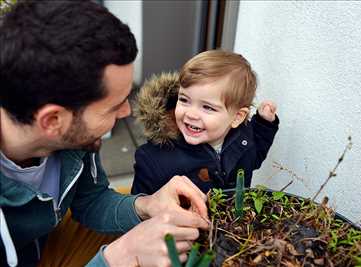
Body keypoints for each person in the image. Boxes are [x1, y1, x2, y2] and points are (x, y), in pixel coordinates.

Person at [0, 1, 209, 267]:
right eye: (114, 105)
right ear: (53, 120)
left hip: (43, 244)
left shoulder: (75, 139)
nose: (126, 111)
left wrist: (147, 206)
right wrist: (120, 256)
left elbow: (91, 200)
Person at [131, 50, 279, 195]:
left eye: (207, 107)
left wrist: (264, 124)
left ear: (237, 118)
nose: (191, 114)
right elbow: (141, 208)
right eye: (184, 100)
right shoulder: (155, 158)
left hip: (234, 217)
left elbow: (255, 155)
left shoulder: (243, 140)